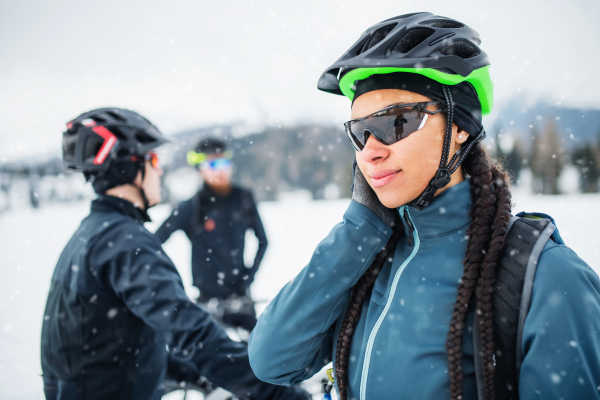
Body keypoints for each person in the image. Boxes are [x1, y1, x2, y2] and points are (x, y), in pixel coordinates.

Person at [248, 13, 600, 400]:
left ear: (459, 126)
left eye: (395, 123)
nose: (370, 151)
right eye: (359, 132)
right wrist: (361, 226)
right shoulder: (370, 257)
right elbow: (272, 359)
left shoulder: (547, 277)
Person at [40, 108, 308, 400]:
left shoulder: (92, 234)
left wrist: (193, 373)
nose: (160, 170)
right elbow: (196, 337)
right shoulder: (127, 243)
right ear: (130, 168)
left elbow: (120, 349)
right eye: (153, 159)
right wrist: (285, 396)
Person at [155, 138, 267, 332]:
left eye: (225, 162)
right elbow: (154, 243)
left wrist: (248, 278)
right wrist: (171, 287)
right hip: (206, 304)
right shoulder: (192, 206)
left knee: (256, 355)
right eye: (213, 164)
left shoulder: (243, 198)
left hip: (240, 299)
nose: (221, 170)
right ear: (200, 168)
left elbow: (263, 241)